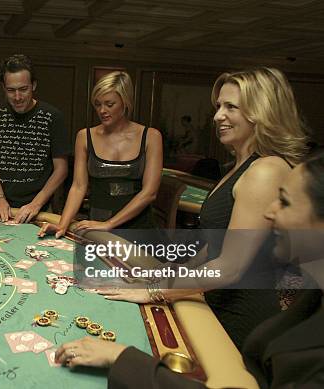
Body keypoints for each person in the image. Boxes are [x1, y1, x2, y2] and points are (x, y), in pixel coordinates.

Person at [55, 151, 324, 388]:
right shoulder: (312, 298)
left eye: (285, 202)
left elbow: (228, 267)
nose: (269, 212)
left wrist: (122, 358)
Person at [94, 68, 309, 350]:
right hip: (217, 302)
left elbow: (229, 267)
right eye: (219, 106)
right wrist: (168, 274)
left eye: (231, 107)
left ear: (262, 111)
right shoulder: (239, 168)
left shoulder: (265, 170)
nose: (218, 115)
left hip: (241, 317)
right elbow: (214, 246)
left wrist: (154, 291)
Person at [39, 71, 163, 237]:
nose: (102, 110)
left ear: (125, 102)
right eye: (98, 104)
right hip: (97, 224)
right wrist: (63, 224)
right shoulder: (84, 136)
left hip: (138, 227)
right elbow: (78, 186)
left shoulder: (151, 136)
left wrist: (110, 224)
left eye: (109, 104)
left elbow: (149, 193)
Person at [0, 54, 70, 223]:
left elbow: (61, 169)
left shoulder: (53, 117)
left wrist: (36, 204)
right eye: (11, 90)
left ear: (34, 85)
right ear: (3, 87)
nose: (17, 97)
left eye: (23, 89)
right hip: (2, 206)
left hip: (40, 208)